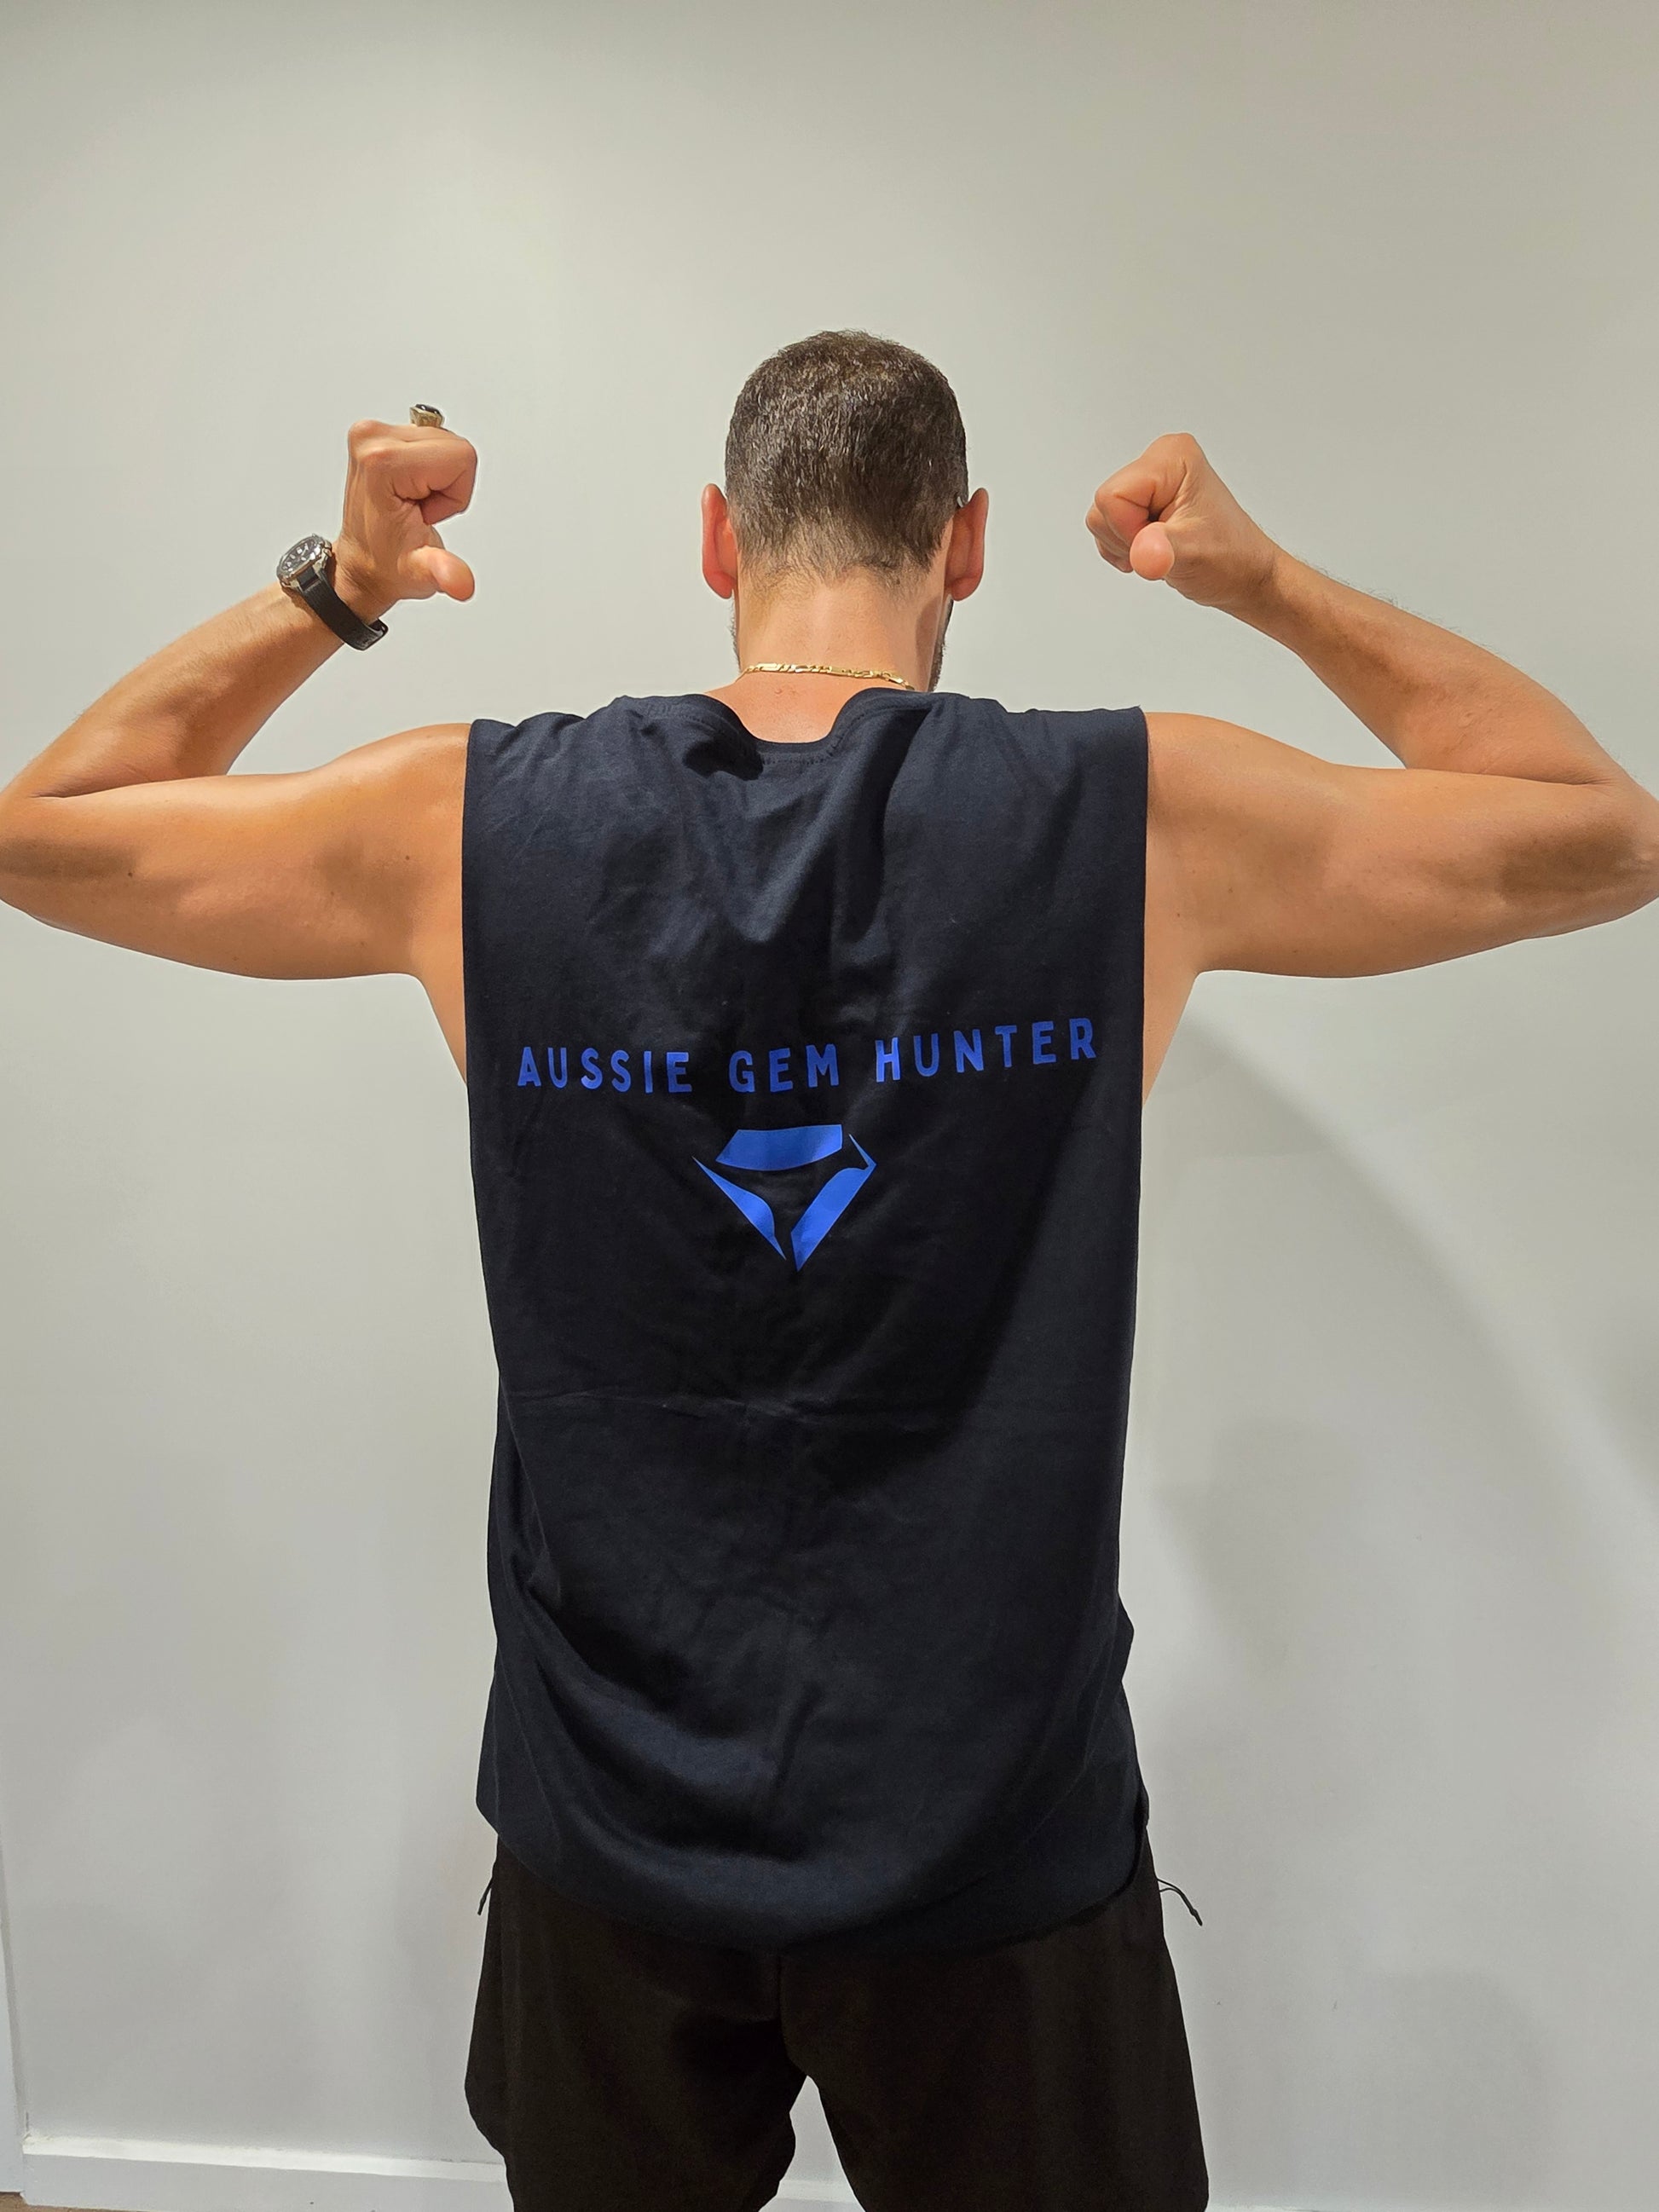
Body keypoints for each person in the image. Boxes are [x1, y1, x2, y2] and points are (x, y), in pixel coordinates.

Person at [2, 331, 1654, 2212]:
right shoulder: (1132, 819)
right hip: (989, 1851)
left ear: (719, 538)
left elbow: (42, 836)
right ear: (966, 544)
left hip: (615, 1838)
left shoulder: (468, 824)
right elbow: (1600, 833)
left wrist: (344, 584)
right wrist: (1259, 581)